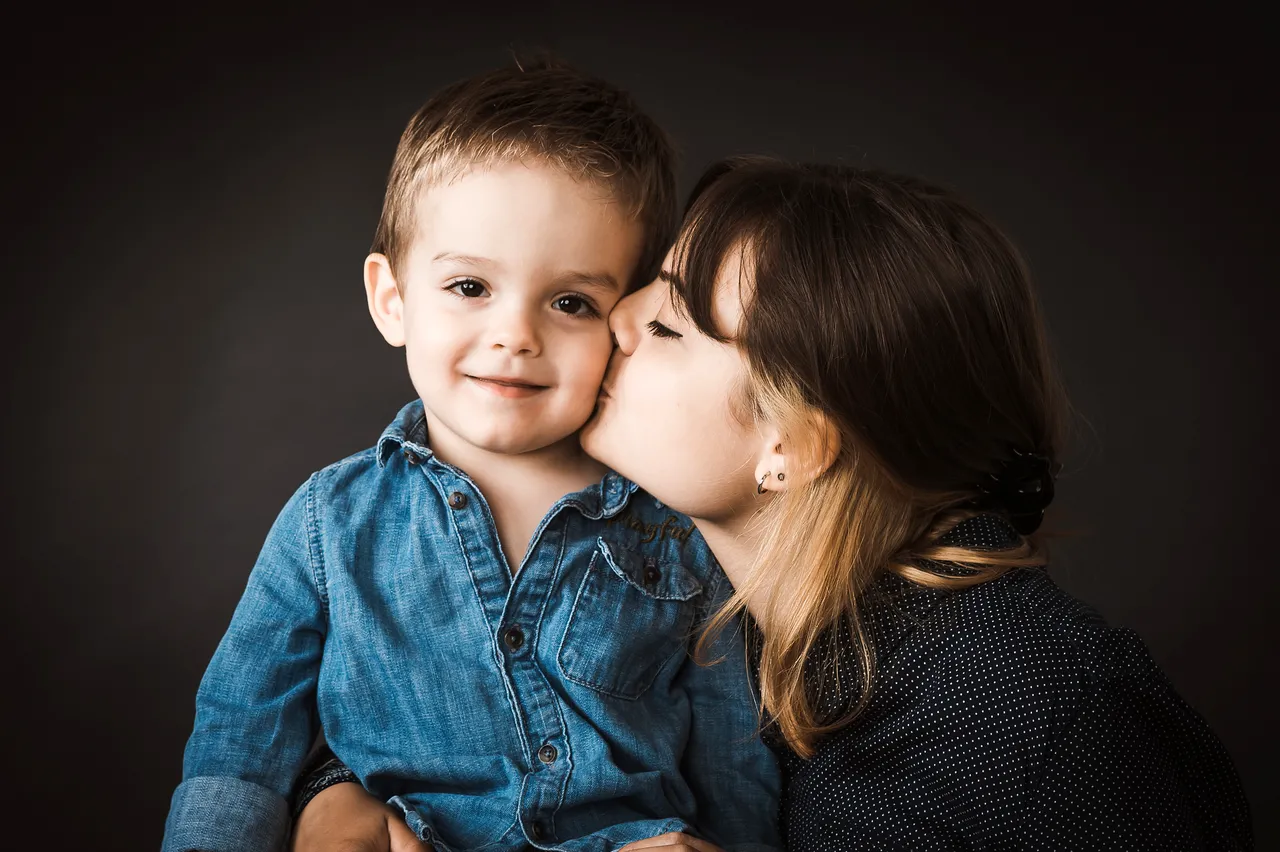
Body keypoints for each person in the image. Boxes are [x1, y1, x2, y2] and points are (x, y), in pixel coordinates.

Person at [296, 157, 1253, 851]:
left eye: (668, 322)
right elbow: (473, 696)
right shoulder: (680, 582)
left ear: (789, 446)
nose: (616, 315)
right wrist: (332, 791)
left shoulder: (1034, 710)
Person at [161, 62, 782, 852]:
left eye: (570, 303)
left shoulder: (675, 525)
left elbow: (733, 752)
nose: (515, 335)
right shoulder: (330, 522)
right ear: (392, 299)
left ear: (625, 319)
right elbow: (239, 752)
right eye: (468, 287)